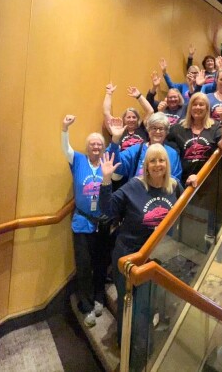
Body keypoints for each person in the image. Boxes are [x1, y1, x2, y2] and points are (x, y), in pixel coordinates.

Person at [98, 145, 183, 372]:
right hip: (129, 258)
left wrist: (194, 181)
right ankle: (131, 356)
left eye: (161, 160)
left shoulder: (174, 186)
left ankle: (136, 354)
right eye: (152, 161)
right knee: (132, 309)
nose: (157, 165)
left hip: (157, 259)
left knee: (143, 311)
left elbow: (184, 209)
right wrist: (106, 180)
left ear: (167, 164)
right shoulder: (134, 186)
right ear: (146, 165)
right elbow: (107, 211)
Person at [61, 115, 112, 328]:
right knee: (83, 265)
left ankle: (100, 298)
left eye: (99, 144)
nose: (96, 147)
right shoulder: (79, 160)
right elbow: (66, 148)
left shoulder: (107, 163)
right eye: (93, 144)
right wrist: (65, 128)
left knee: (101, 263)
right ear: (87, 147)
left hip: (102, 222)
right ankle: (87, 305)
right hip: (82, 222)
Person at [168, 92, 222, 241]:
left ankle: (201, 249)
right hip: (185, 181)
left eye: (201, 104)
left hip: (208, 182)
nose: (198, 107)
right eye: (195, 104)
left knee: (202, 219)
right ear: (190, 107)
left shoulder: (214, 127)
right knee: (186, 219)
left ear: (207, 107)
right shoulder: (178, 128)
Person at [106, 112, 182, 185]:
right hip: (138, 194)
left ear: (166, 132)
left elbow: (175, 180)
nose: (157, 131)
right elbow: (116, 164)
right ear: (148, 130)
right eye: (154, 128)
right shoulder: (136, 150)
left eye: (161, 128)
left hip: (162, 196)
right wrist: (115, 138)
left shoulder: (172, 154)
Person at [102, 83, 154, 151]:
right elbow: (106, 113)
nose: (131, 119)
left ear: (138, 119)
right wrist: (108, 93)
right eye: (128, 117)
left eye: (134, 117)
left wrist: (139, 96)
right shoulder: (117, 130)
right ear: (123, 119)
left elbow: (150, 111)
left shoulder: (143, 129)